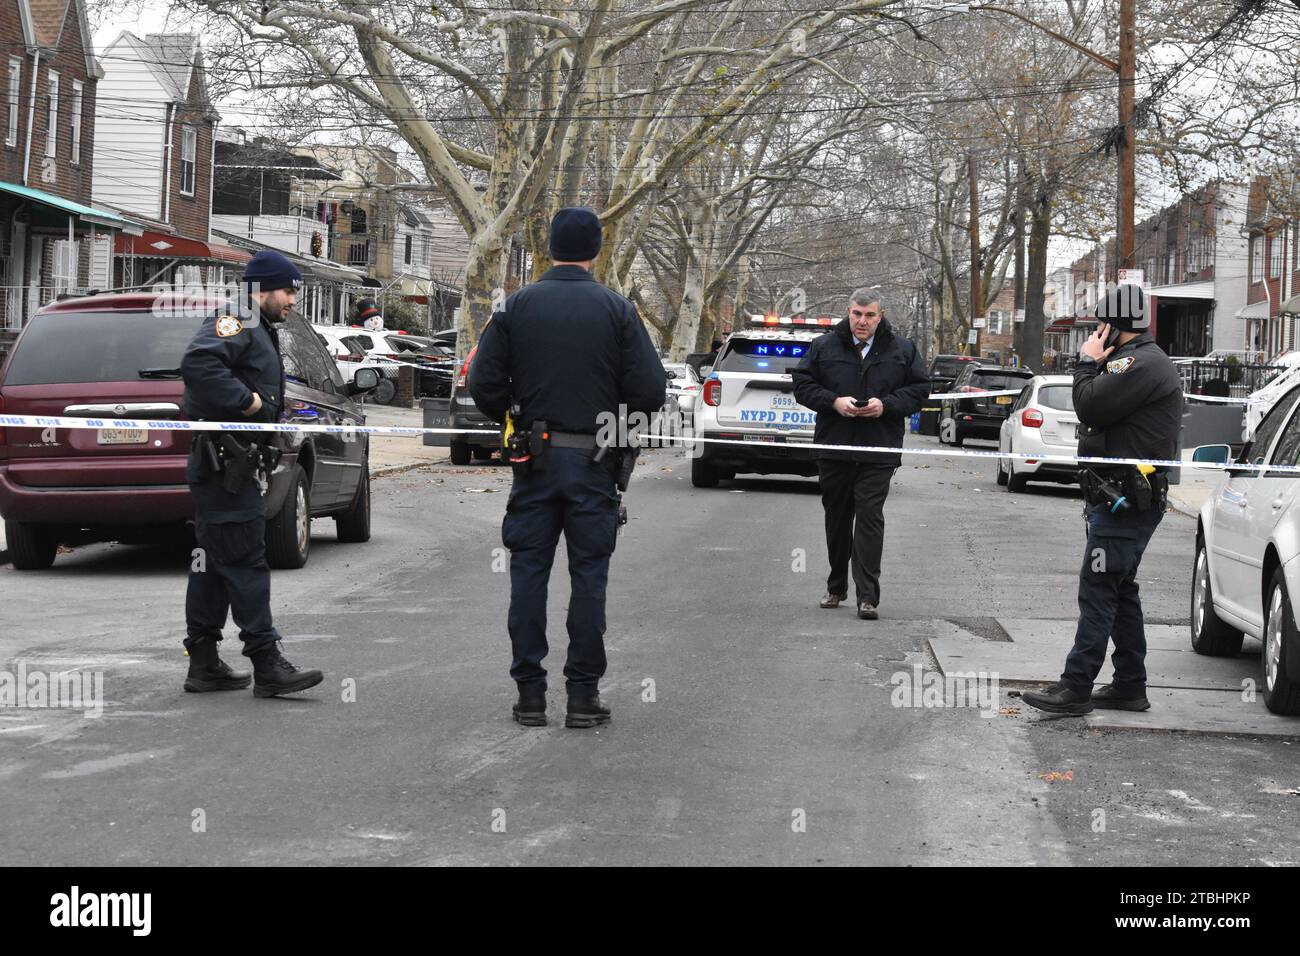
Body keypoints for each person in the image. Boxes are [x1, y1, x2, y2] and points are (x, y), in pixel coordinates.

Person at [469, 207, 666, 729]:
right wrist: (615, 433)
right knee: (589, 578)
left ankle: (529, 695)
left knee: (528, 576)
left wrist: (515, 418)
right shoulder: (619, 311)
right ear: (596, 250)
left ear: (548, 247)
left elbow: (482, 384)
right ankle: (582, 695)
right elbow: (649, 392)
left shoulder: (515, 308)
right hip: (594, 463)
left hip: (533, 462)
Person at [1023, 284, 1182, 715]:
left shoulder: (1138, 363)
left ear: (1114, 326)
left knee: (1097, 587)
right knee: (1118, 589)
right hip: (1119, 498)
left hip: (1127, 501)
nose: (1095, 332)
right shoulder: (1132, 361)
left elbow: (1091, 406)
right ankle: (1130, 685)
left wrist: (1086, 364)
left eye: (1099, 325)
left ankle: (1075, 688)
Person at [180, 249, 324, 698]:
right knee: (244, 560)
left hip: (232, 465)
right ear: (262, 287)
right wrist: (250, 404)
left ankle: (203, 663)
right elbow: (199, 363)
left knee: (213, 565)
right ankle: (267, 662)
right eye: (288, 291)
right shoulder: (238, 318)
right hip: (226, 466)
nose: (293, 301)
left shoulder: (256, 325)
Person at [791, 288, 930, 621]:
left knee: (869, 518)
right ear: (848, 312)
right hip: (835, 446)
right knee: (837, 519)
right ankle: (836, 586)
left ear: (880, 316)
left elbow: (920, 389)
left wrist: (887, 405)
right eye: (857, 314)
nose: (862, 321)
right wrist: (834, 402)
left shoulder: (903, 350)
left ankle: (868, 597)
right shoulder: (824, 346)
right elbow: (802, 384)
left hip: (878, 449)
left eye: (869, 315)